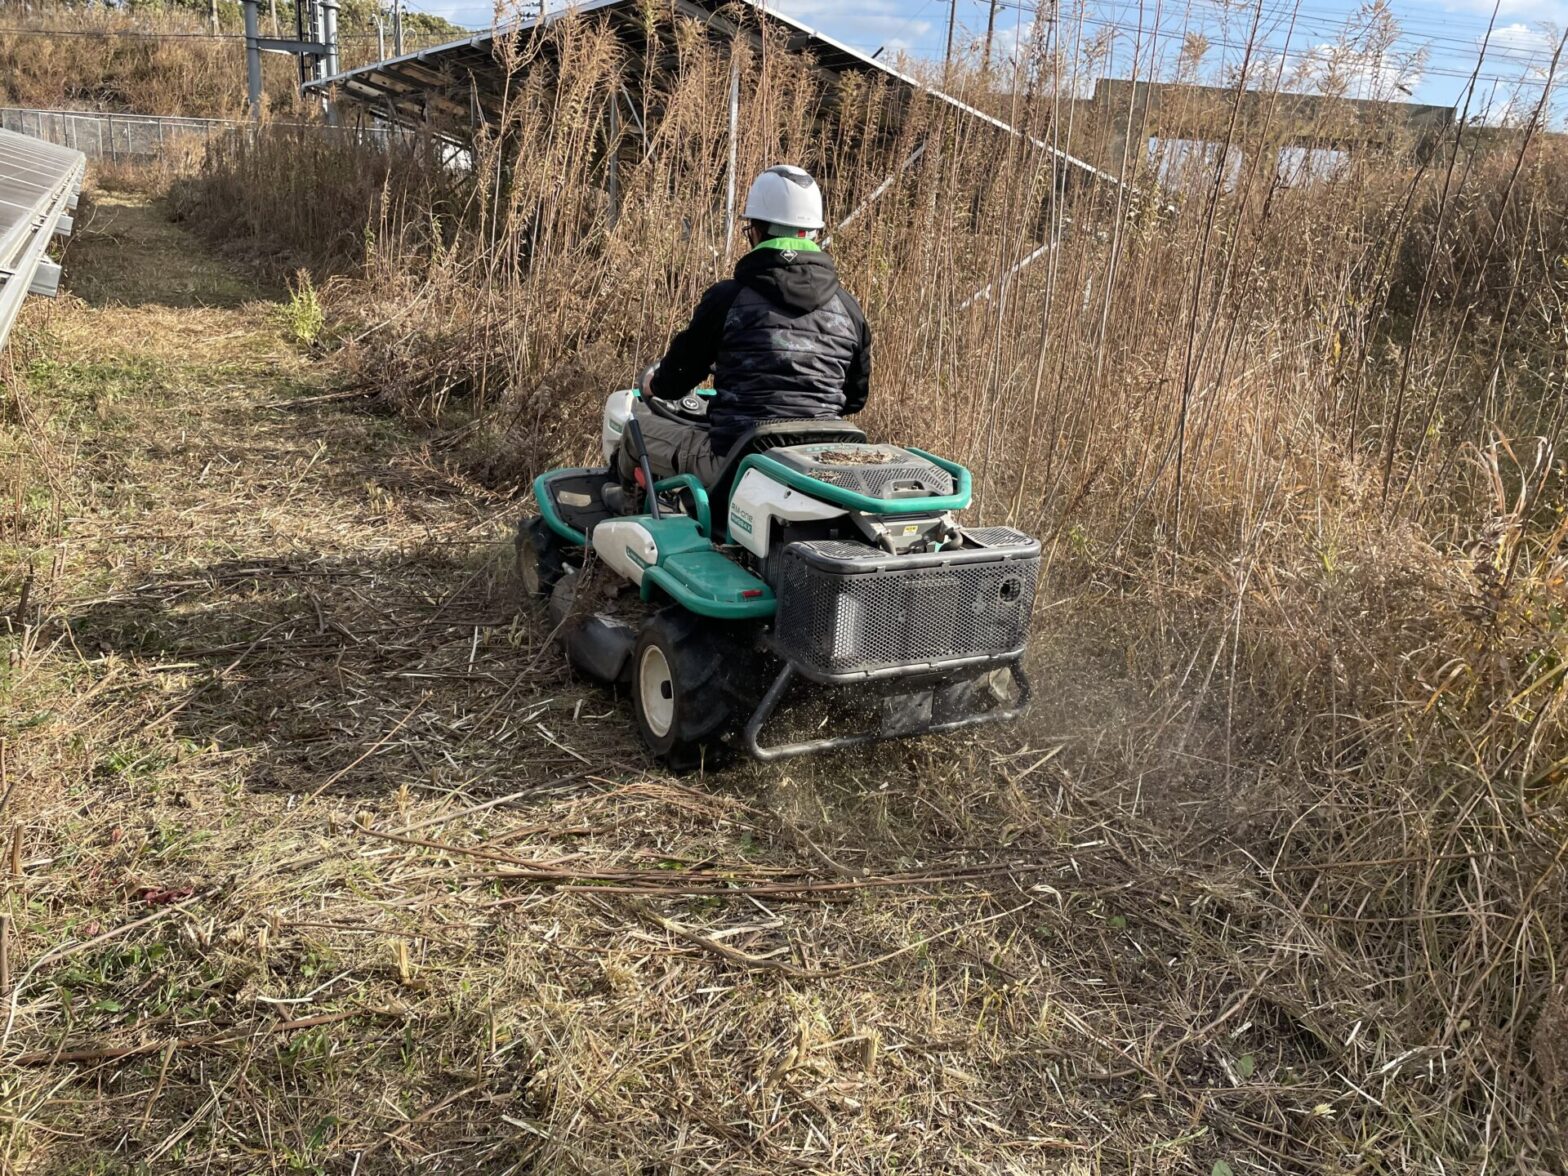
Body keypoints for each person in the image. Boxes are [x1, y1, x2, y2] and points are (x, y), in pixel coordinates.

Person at [617, 164, 872, 488]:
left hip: (735, 465)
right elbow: (854, 399)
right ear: (812, 233)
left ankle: (618, 512)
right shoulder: (849, 310)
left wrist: (653, 386)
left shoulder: (728, 299)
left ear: (756, 230)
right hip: (817, 470)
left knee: (632, 433)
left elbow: (676, 381)